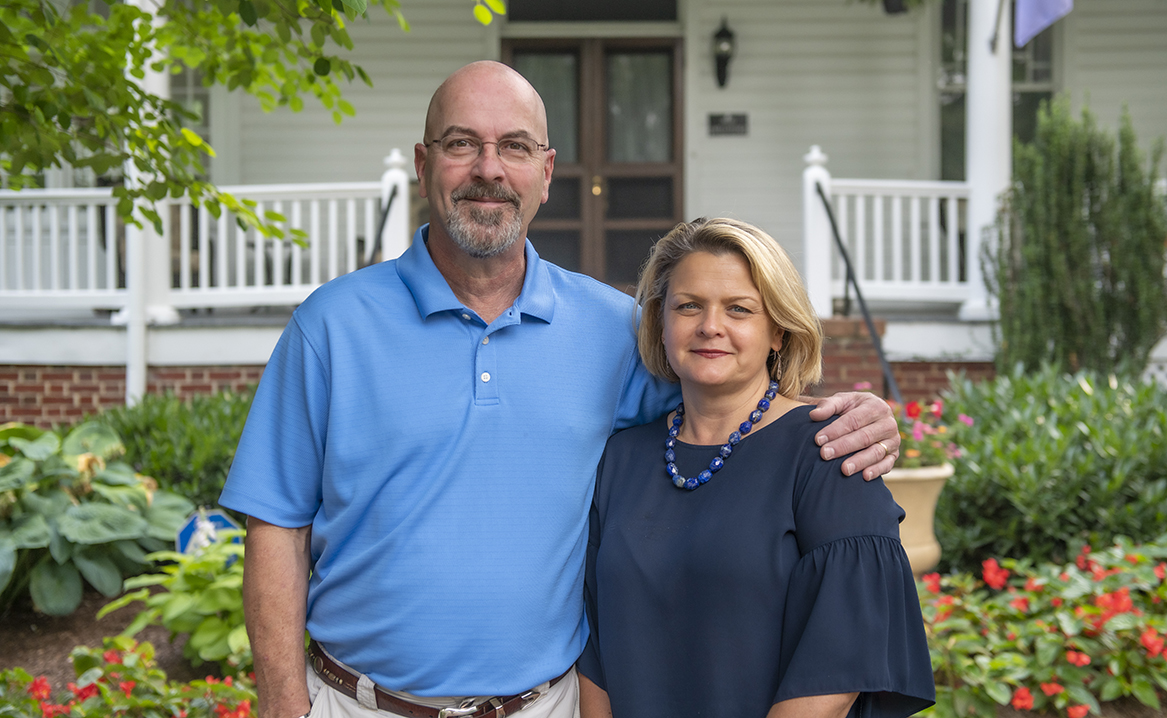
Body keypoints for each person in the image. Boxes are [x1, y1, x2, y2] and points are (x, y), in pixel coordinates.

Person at [219, 61, 903, 718]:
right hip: (356, 703)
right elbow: (277, 521)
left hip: (546, 705)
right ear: (425, 165)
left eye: (514, 147)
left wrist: (848, 415)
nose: (488, 169)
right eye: (462, 145)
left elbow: (729, 399)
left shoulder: (617, 329)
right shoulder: (332, 325)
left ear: (544, 174)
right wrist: (283, 702)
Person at [577, 218, 934, 718]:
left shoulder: (831, 453)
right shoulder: (621, 458)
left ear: (779, 333)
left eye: (739, 309)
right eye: (688, 306)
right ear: (661, 323)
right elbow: (592, 640)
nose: (710, 326)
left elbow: (839, 665)